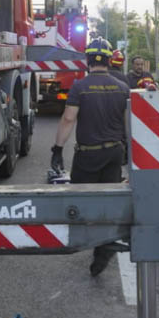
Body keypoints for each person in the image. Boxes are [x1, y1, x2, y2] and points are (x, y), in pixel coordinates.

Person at [51, 37, 129, 276]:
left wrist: (57, 149)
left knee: (82, 201)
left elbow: (68, 119)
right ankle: (104, 245)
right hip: (114, 152)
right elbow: (128, 123)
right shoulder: (122, 87)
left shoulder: (80, 87)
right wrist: (128, 150)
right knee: (108, 200)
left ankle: (91, 239)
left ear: (88, 60)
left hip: (88, 155)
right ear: (108, 60)